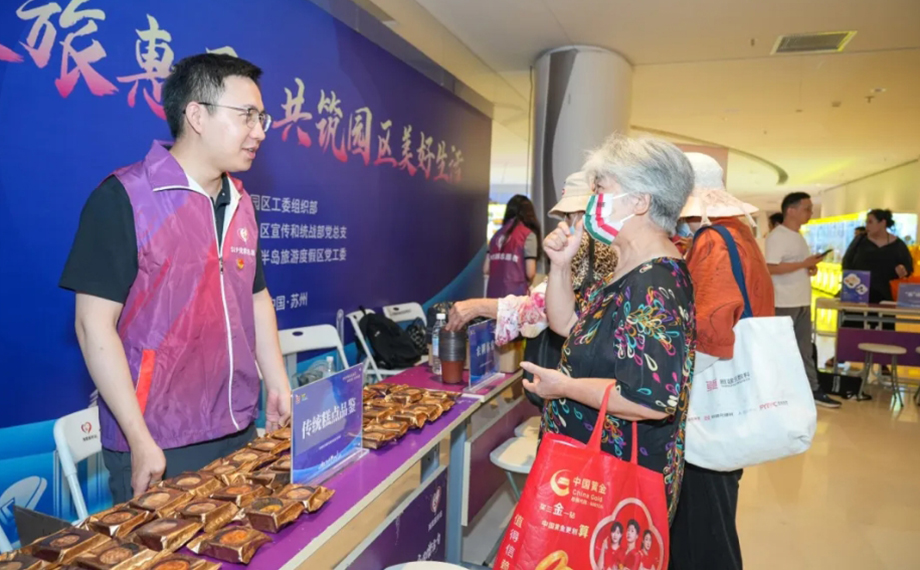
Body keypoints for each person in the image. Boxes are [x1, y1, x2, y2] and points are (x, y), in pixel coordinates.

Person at [59, 54, 292, 502]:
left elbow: (257, 297)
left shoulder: (240, 203)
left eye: (262, 117)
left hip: (237, 425)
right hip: (158, 440)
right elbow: (92, 325)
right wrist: (138, 437)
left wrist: (277, 382)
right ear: (197, 116)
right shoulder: (125, 197)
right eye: (247, 115)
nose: (260, 131)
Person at [521, 134, 696, 524]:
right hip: (585, 466)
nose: (593, 201)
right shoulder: (627, 266)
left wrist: (563, 387)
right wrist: (560, 266)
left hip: (613, 482)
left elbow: (647, 401)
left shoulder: (654, 283)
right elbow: (567, 324)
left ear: (640, 201)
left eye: (601, 189)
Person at [668, 153, 775, 570]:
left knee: (703, 528)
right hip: (731, 399)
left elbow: (710, 336)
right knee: (712, 518)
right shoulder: (739, 235)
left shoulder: (713, 241)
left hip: (709, 405)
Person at [446, 171, 617, 342]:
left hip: (580, 339)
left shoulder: (584, 244)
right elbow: (531, 274)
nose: (565, 222)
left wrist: (477, 306)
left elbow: (539, 307)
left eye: (568, 215)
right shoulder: (613, 242)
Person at [764, 192, 841, 408]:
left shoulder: (798, 236)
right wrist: (803, 264)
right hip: (783, 302)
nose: (810, 213)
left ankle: (811, 389)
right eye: (807, 209)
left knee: (804, 349)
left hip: (801, 300)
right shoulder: (778, 236)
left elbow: (793, 265)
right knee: (781, 349)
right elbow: (770, 267)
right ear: (791, 210)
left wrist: (809, 267)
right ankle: (775, 392)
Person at [842, 209, 914, 306]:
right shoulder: (860, 241)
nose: (867, 226)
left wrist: (903, 270)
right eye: (866, 222)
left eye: (870, 222)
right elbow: (847, 262)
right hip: (859, 294)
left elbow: (908, 267)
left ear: (882, 223)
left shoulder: (898, 245)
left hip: (886, 296)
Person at [485, 195, 541, 298]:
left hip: (493, 295)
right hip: (516, 297)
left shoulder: (495, 236)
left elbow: (486, 269)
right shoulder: (528, 235)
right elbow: (530, 273)